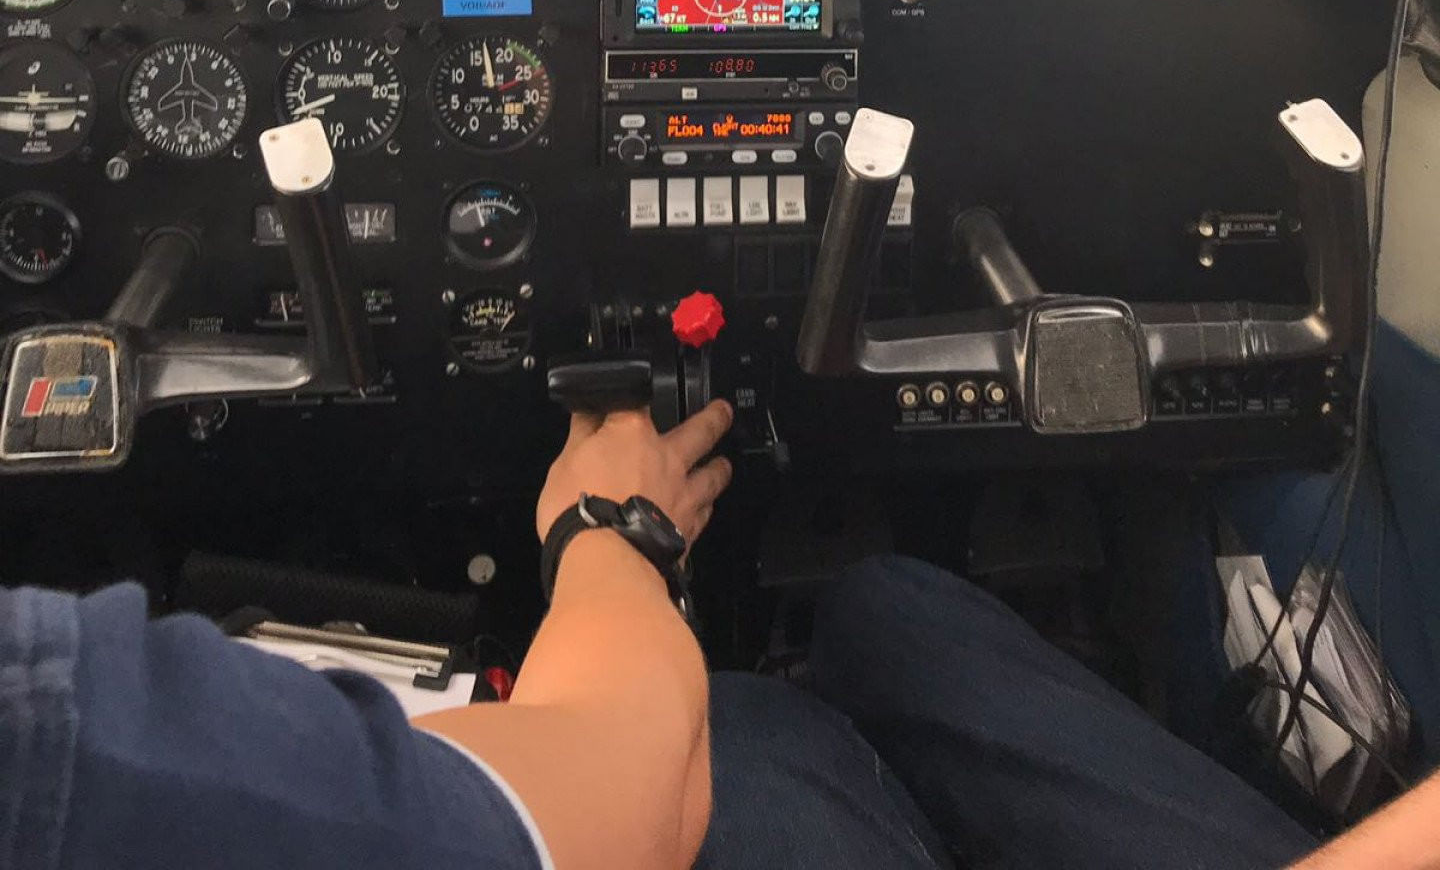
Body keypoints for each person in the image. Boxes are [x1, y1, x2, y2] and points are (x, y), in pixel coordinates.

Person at [0, 398, 1434, 870]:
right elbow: (626, 779)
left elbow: (625, 792)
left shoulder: (58, 741)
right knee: (866, 621)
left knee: (756, 713)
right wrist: (619, 548)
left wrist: (592, 542)